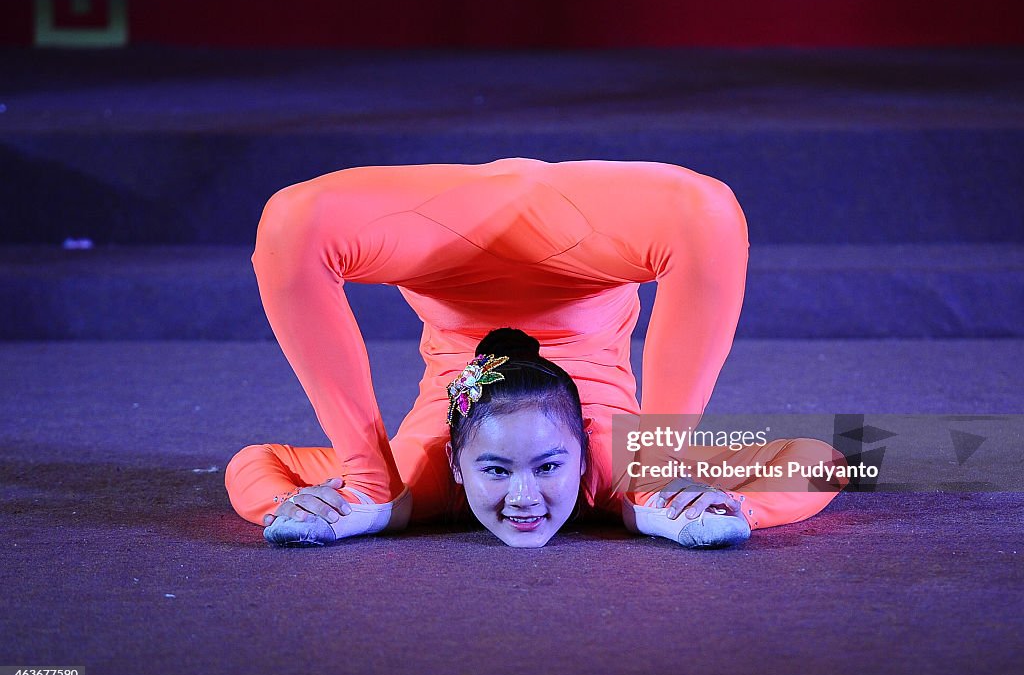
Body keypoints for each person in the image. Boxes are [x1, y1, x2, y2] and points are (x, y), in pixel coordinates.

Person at [224, 157, 846, 548]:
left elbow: (255, 462)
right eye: (497, 470)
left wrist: (288, 503)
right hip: (517, 237)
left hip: (494, 243)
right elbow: (824, 459)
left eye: (547, 467)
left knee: (708, 212)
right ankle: (367, 483)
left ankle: (366, 484)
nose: (523, 499)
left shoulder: (423, 479)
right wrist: (731, 505)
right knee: (288, 223)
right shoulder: (618, 470)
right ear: (462, 465)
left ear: (576, 460)